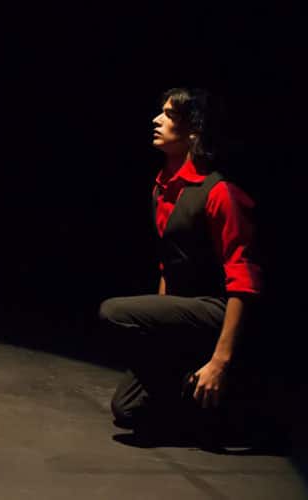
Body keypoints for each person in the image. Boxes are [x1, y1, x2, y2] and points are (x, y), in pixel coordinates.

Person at [98, 88, 262, 443]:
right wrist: (161, 324)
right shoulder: (162, 188)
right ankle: (186, 388)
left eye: (170, 115)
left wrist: (220, 361)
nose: (157, 120)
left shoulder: (219, 193)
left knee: (113, 312)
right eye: (160, 112)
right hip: (184, 309)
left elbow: (243, 282)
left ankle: (223, 391)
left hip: (215, 311)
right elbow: (167, 267)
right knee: (127, 410)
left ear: (193, 130)